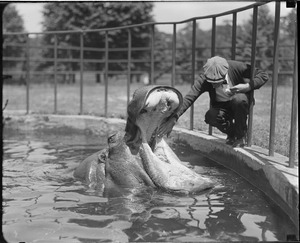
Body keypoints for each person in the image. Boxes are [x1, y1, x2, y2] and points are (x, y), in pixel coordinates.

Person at [158, 56, 269, 147]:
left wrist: (247, 86)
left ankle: (240, 136)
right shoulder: (204, 79)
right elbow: (189, 98)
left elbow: (263, 75)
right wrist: (174, 118)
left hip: (240, 103)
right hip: (222, 107)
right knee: (211, 116)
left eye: (218, 82)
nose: (214, 85)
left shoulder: (237, 67)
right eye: (211, 82)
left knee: (238, 99)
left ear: (225, 72)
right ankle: (232, 133)